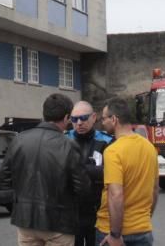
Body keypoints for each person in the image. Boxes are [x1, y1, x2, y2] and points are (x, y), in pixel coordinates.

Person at [0, 93, 90, 246]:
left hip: (26, 220)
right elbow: (83, 188)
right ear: (67, 117)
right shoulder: (68, 145)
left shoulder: (19, 140)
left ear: (44, 113)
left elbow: (4, 178)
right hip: (59, 223)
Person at [95, 98, 159, 246]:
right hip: (142, 229)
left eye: (104, 118)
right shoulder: (150, 148)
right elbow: (155, 190)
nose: (102, 123)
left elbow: (116, 195)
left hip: (112, 231)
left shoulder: (113, 151)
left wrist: (115, 235)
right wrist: (144, 219)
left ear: (114, 119)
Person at [66, 101, 113, 246]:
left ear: (94, 117)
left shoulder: (107, 141)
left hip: (98, 212)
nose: (79, 123)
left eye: (84, 118)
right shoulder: (63, 140)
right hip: (71, 212)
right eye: (74, 119)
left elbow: (111, 174)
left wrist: (78, 169)